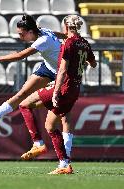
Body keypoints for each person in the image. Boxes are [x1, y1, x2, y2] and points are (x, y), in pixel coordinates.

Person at [0, 14, 74, 159]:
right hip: (49, 68)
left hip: (63, 75)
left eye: (22, 34)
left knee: (63, 116)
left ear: (30, 32)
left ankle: (64, 157)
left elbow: (21, 55)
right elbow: (56, 33)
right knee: (22, 93)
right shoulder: (42, 30)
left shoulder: (42, 40)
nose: (20, 37)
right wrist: (65, 36)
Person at [17, 15, 96, 174]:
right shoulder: (84, 43)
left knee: (24, 105)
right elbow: (93, 64)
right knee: (52, 124)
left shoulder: (67, 43)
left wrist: (56, 89)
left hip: (64, 88)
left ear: (66, 27)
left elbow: (62, 70)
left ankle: (46, 150)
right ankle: (64, 164)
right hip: (75, 88)